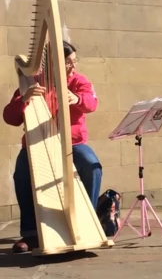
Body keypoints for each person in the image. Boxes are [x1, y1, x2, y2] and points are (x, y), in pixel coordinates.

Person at [3, 41, 102, 254]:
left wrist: (76, 98)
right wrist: (25, 98)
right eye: (68, 63)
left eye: (74, 62)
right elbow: (10, 118)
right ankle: (30, 234)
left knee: (92, 166)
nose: (73, 67)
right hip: (37, 144)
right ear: (53, 64)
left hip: (72, 143)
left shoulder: (79, 81)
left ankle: (88, 223)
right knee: (21, 173)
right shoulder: (31, 84)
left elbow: (92, 103)